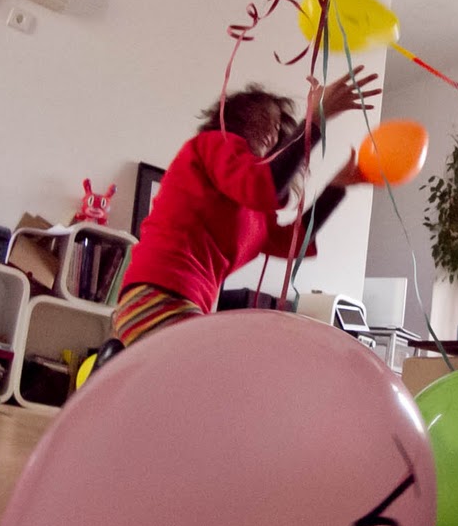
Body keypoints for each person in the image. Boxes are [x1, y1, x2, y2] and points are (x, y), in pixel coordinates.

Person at [104, 68, 379, 355]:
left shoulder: (255, 209)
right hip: (158, 295)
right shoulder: (213, 145)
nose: (272, 132)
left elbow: (294, 242)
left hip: (179, 301)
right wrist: (315, 120)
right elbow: (264, 185)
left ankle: (109, 365)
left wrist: (336, 188)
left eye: (277, 128)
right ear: (237, 117)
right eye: (264, 119)